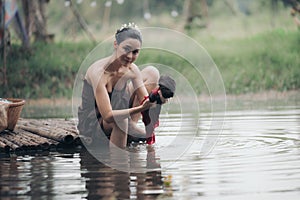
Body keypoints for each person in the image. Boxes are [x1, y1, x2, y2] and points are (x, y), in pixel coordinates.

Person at [77, 23, 175, 149]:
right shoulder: (99, 73)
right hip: (95, 122)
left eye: (135, 52)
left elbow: (145, 101)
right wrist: (139, 109)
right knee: (121, 122)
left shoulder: (132, 70)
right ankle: (118, 165)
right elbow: (108, 115)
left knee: (152, 72)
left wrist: (157, 98)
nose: (130, 56)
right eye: (126, 49)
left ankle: (131, 127)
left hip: (121, 111)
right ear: (116, 44)